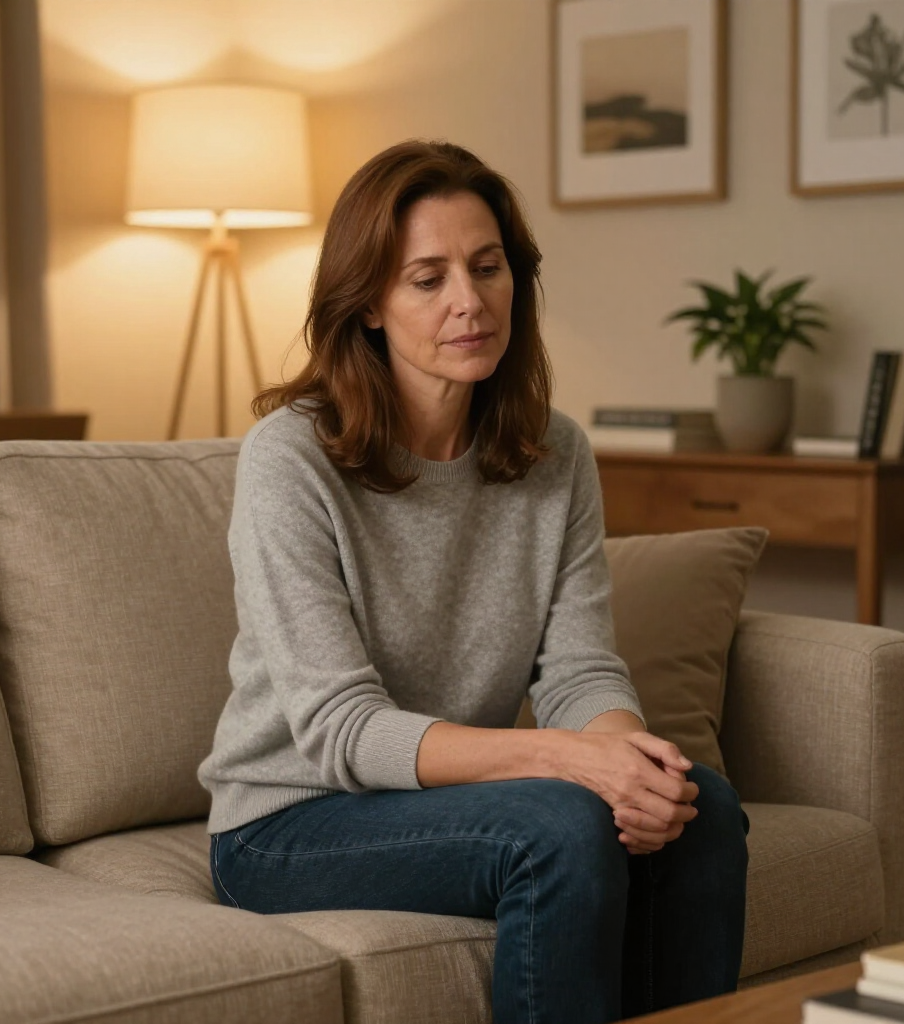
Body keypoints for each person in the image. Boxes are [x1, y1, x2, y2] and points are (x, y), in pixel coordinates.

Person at [198, 139, 749, 1024]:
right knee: (562, 826)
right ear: (369, 303)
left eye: (487, 267)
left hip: (447, 799)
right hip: (289, 823)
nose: (469, 301)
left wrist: (627, 760)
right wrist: (570, 763)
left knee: (701, 806)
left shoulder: (553, 451)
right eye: (428, 279)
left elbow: (578, 671)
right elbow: (342, 730)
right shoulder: (290, 457)